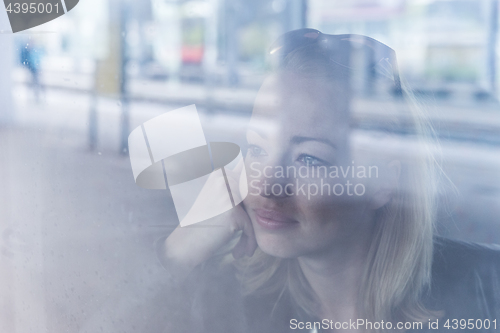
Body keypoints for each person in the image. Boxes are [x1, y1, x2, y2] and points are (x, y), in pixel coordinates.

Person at [158, 29, 500, 333]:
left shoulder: (488, 290)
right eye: (257, 148)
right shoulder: (229, 301)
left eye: (309, 158)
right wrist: (177, 255)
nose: (267, 185)